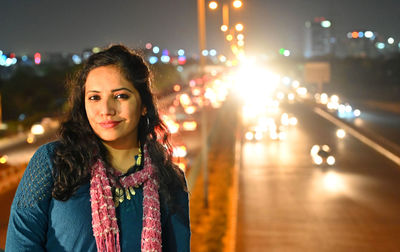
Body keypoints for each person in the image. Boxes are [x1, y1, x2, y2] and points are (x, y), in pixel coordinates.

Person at [5, 45, 190, 252]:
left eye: (120, 96)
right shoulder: (53, 162)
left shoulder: (169, 179)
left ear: (144, 104)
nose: (106, 110)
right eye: (94, 97)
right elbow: (20, 245)